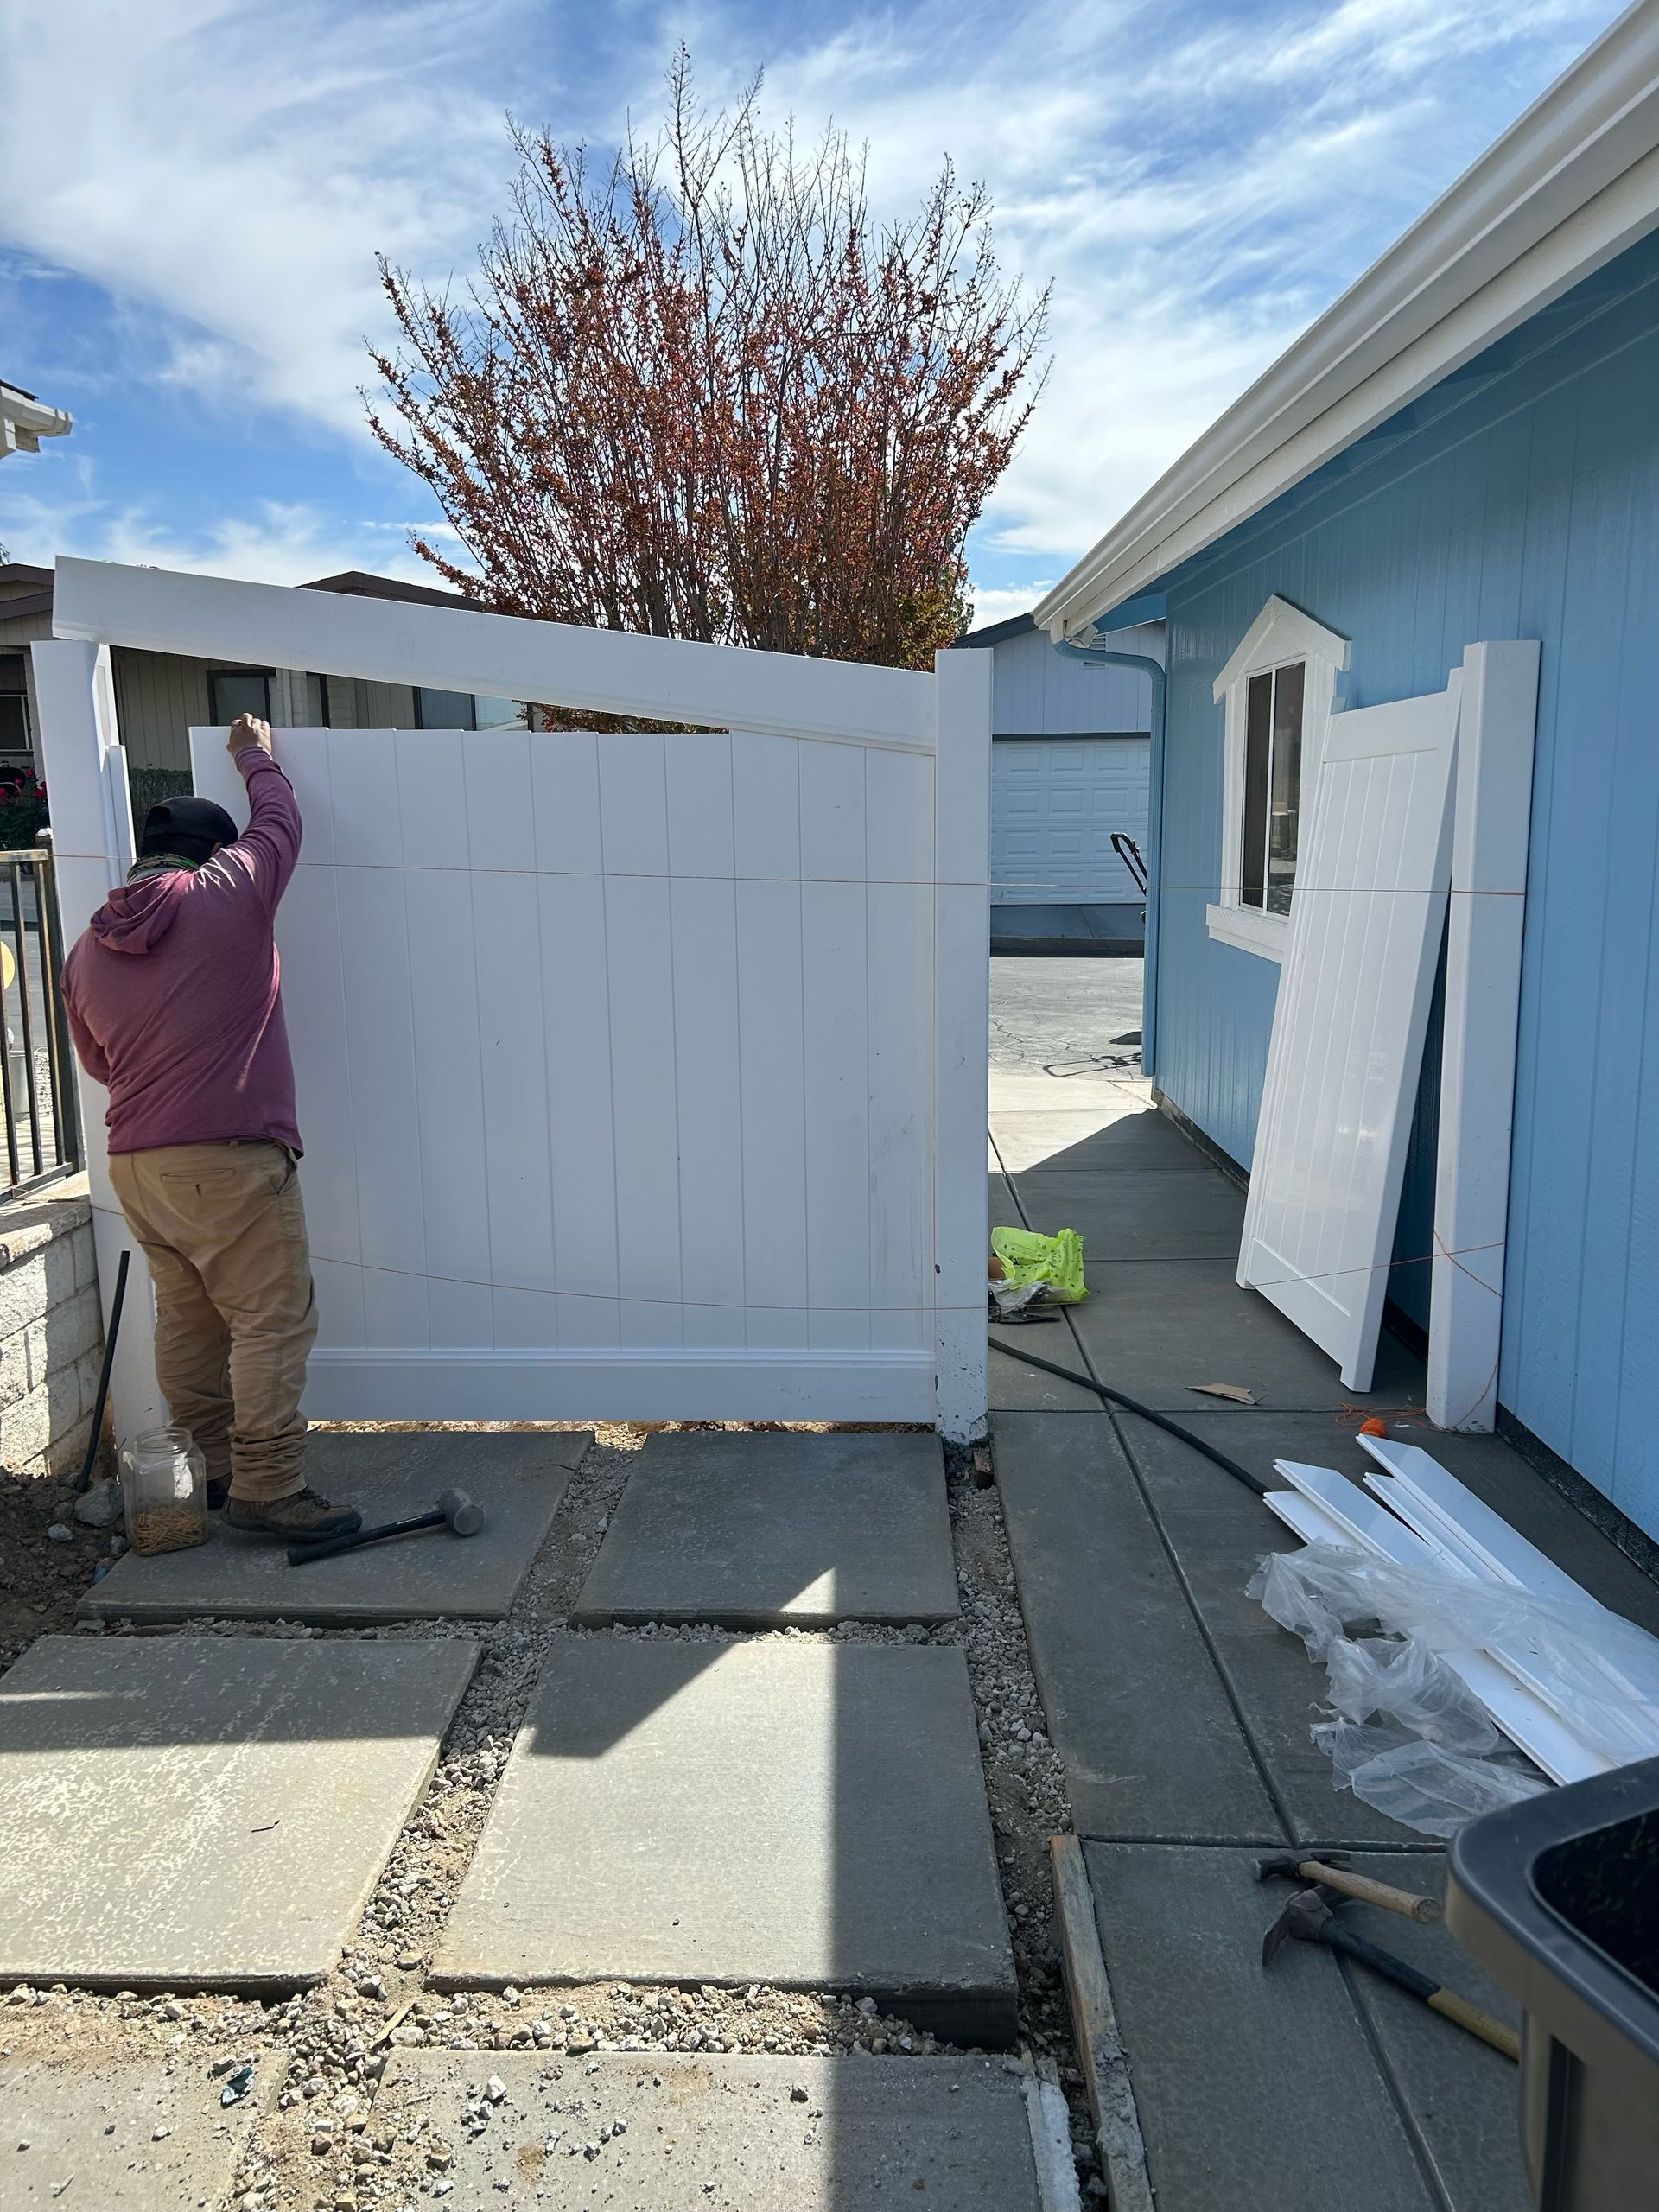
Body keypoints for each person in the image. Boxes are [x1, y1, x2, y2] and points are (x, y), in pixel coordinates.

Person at [61, 714, 360, 1540]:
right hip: (227, 1156)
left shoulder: (86, 948)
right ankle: (270, 1484)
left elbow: (97, 1062)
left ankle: (216, 1474)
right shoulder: (226, 892)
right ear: (209, 852)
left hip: (138, 1165)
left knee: (188, 1319)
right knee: (271, 1318)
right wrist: (251, 753)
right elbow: (281, 821)